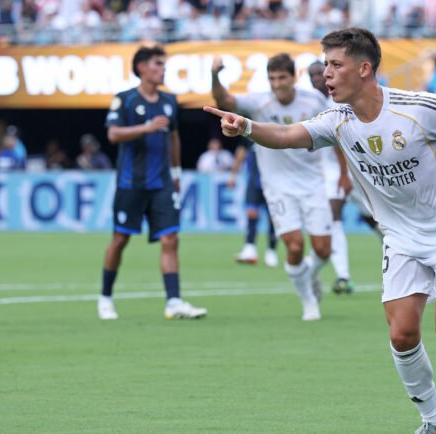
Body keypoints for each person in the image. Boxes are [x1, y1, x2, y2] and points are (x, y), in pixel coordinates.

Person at [205, 27, 436, 434]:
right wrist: (246, 128)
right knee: (402, 334)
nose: (325, 74)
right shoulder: (337, 120)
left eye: (335, 65)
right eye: (325, 65)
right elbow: (287, 136)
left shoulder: (419, 108)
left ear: (364, 69)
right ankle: (434, 424)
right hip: (401, 237)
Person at [211, 53, 342, 321]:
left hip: (313, 184)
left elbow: (335, 133)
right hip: (278, 187)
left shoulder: (314, 101)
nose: (277, 84)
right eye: (272, 78)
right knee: (294, 247)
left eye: (282, 78)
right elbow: (226, 101)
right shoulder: (259, 102)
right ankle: (309, 302)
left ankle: (310, 275)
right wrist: (215, 76)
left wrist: (344, 173)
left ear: (293, 77)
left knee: (323, 250)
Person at [98, 44, 207, 321]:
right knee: (120, 239)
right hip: (130, 183)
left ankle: (174, 301)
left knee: (170, 239)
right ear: (141, 68)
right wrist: (145, 128)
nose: (162, 69)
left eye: (163, 64)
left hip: (162, 184)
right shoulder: (124, 100)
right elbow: (113, 135)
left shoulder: (169, 102)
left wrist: (177, 173)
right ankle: (105, 298)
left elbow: (173, 138)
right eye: (157, 64)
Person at [308, 60, 355, 294]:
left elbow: (337, 141)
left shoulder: (334, 102)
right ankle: (343, 276)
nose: (317, 78)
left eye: (320, 73)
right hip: (331, 172)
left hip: (345, 171)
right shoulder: (313, 103)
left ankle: (342, 275)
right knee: (333, 216)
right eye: (312, 75)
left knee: (336, 217)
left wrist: (345, 175)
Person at [227, 142, 279, 267]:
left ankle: (271, 251)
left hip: (273, 183)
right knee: (251, 213)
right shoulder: (250, 132)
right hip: (254, 182)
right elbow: (241, 153)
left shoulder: (276, 130)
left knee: (273, 217)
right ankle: (250, 248)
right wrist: (233, 175)